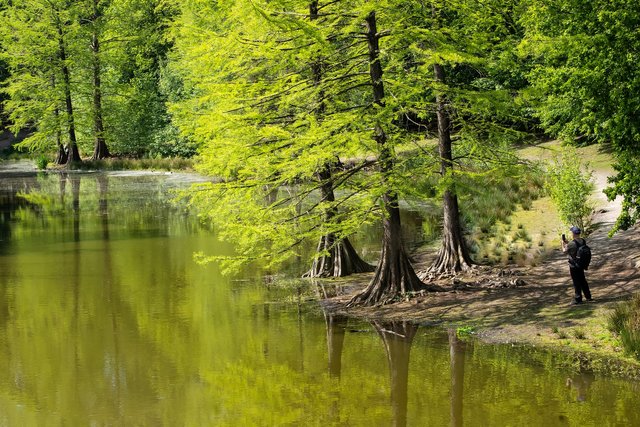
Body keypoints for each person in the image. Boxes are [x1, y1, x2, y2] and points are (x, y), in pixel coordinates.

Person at [561, 226, 592, 304]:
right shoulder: (583, 241)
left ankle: (578, 299)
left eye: (572, 232)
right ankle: (588, 296)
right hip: (581, 264)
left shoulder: (571, 244)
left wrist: (563, 244)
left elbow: (564, 252)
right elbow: (577, 247)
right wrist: (568, 243)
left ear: (573, 233)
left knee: (576, 282)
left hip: (574, 265)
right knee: (583, 280)